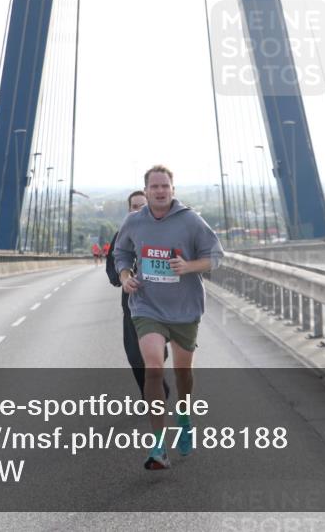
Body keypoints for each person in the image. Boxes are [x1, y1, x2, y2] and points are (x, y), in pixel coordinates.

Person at [114, 165, 224, 470]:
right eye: (154, 186)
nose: (160, 191)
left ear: (173, 189)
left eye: (165, 186)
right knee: (153, 367)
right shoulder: (134, 221)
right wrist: (125, 276)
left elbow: (215, 256)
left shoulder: (190, 221)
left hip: (184, 307)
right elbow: (121, 253)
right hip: (147, 306)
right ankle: (158, 444)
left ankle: (184, 416)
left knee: (182, 372)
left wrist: (189, 267)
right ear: (146, 190)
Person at [106, 190, 169, 398]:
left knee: (156, 354)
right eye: (135, 207)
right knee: (135, 356)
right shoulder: (121, 235)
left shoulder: (166, 232)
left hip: (161, 304)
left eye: (143, 206)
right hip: (132, 306)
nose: (139, 210)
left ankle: (156, 392)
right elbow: (113, 270)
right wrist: (125, 277)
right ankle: (149, 394)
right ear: (129, 210)